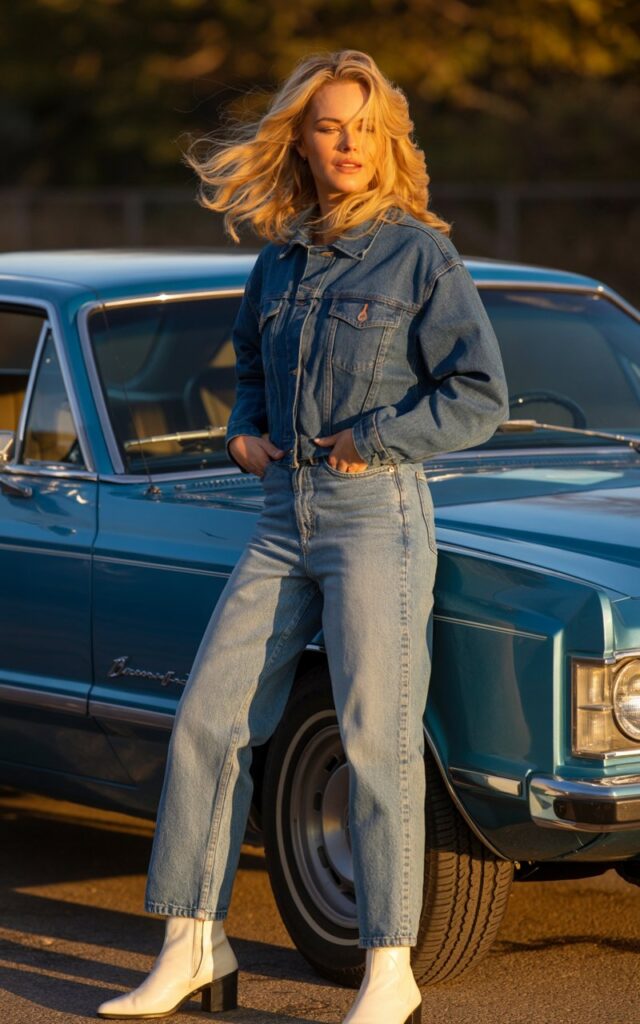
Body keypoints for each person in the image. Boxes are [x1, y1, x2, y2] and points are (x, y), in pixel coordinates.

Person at [97, 49, 508, 1024]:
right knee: (207, 719)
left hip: (379, 518)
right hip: (284, 514)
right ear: (303, 138)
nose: (348, 143)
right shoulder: (277, 256)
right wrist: (245, 428)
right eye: (330, 125)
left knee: (374, 741)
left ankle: (389, 969)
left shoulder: (420, 256)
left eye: (366, 127)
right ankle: (192, 944)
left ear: (390, 142)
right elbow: (246, 358)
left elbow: (480, 395)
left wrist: (373, 436)